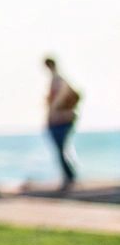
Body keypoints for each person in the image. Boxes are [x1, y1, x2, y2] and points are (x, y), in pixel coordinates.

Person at [42, 56, 80, 190]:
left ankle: (69, 177)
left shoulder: (58, 80)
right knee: (62, 149)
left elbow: (57, 102)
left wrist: (53, 107)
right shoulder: (59, 80)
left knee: (61, 149)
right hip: (62, 119)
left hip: (60, 120)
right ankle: (69, 176)